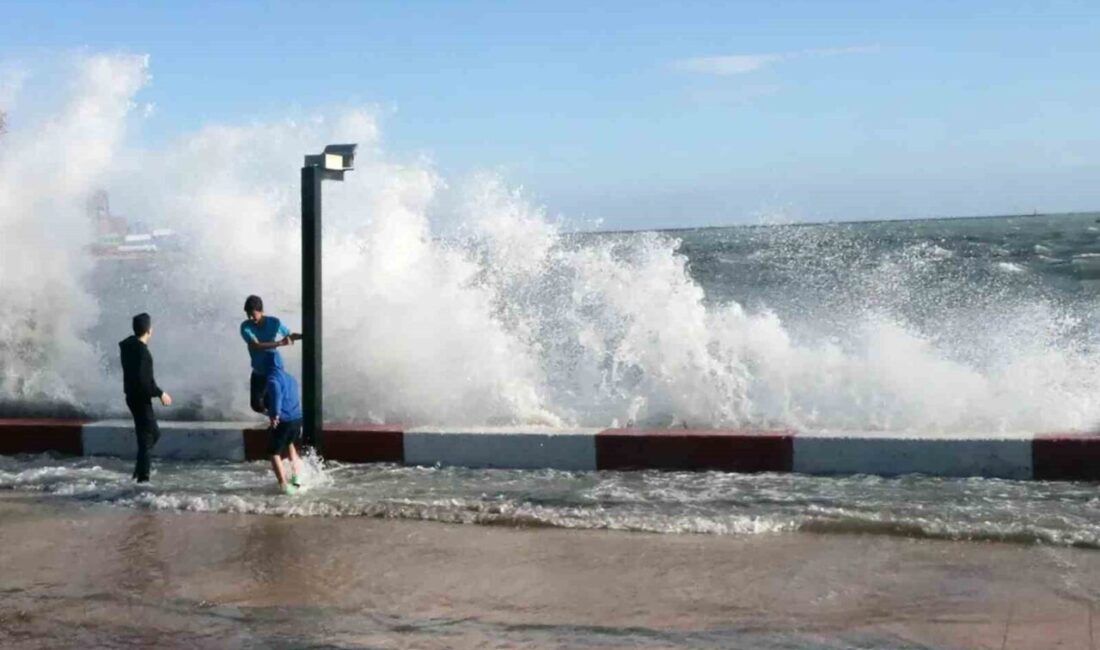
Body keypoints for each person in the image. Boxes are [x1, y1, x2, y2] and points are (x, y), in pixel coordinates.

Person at [119, 313, 172, 483]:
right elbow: (144, 382)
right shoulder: (143, 353)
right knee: (150, 435)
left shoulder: (128, 346)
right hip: (141, 399)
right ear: (149, 330)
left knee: (148, 436)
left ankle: (140, 470)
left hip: (132, 397)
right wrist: (160, 393)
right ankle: (143, 478)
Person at [240, 295, 302, 415]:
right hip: (258, 369)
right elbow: (256, 345)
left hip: (274, 367)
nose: (251, 318)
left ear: (262, 311)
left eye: (253, 314)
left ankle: (280, 420)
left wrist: (303, 336)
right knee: (256, 405)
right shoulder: (246, 326)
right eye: (248, 315)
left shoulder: (274, 322)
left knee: (272, 401)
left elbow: (289, 336)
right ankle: (276, 418)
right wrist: (279, 343)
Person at [261, 352, 305, 494]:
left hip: (284, 420)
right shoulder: (290, 378)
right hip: (297, 418)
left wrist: (275, 414)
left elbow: (276, 394)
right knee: (291, 445)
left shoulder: (273, 378)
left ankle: (284, 485)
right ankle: (297, 480)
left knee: (274, 453)